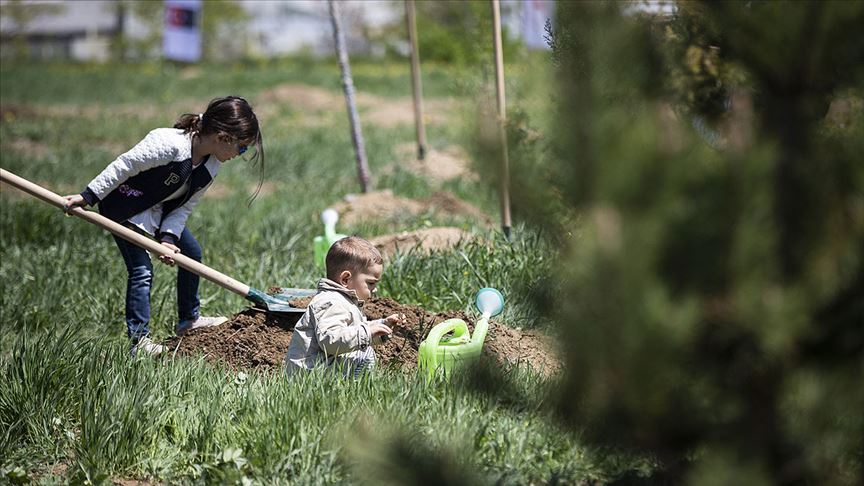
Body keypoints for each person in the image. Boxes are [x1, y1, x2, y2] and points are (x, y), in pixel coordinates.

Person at [62, 96, 264, 356]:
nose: (241, 155)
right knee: (141, 269)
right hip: (126, 207)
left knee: (192, 254)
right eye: (242, 148)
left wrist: (168, 239)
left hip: (160, 210)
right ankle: (139, 341)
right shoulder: (168, 144)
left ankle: (188, 321)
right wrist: (88, 196)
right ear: (223, 137)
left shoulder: (211, 166)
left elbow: (184, 207)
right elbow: (124, 165)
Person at [285, 236, 399, 378]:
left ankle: (354, 387)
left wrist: (381, 326)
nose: (375, 289)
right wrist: (367, 333)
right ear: (345, 279)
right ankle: (355, 387)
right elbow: (330, 341)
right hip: (309, 375)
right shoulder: (331, 302)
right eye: (370, 283)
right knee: (364, 354)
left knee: (362, 349)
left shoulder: (343, 301)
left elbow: (350, 333)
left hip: (322, 368)